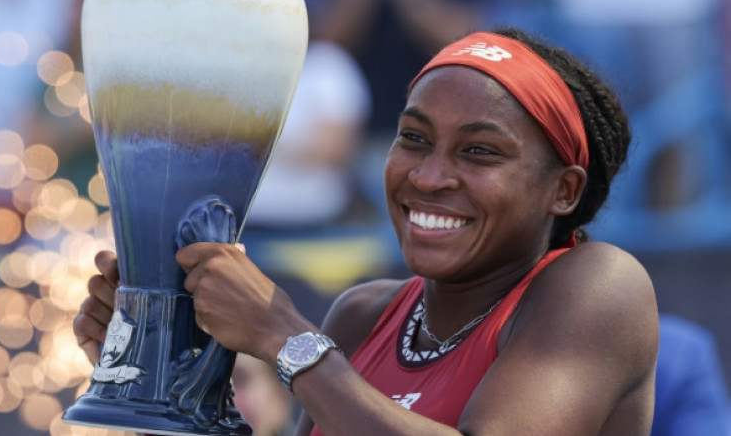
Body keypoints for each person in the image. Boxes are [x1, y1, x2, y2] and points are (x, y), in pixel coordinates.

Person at [73, 27, 659, 434]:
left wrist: (285, 335)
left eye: (479, 151)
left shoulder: (600, 287)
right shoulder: (361, 317)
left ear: (565, 190)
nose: (429, 176)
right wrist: (153, 379)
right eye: (414, 138)